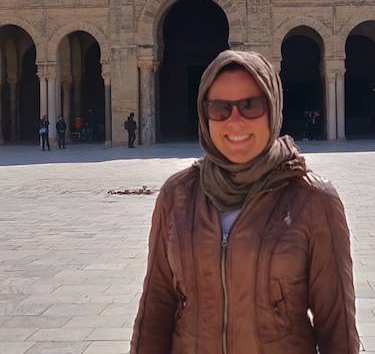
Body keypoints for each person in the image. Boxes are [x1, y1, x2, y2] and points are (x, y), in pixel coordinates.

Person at [131, 50, 359, 353]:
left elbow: (337, 327)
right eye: (220, 109)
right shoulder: (178, 195)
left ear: (273, 107)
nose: (235, 121)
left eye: (251, 105)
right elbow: (156, 308)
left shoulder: (313, 200)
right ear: (204, 114)